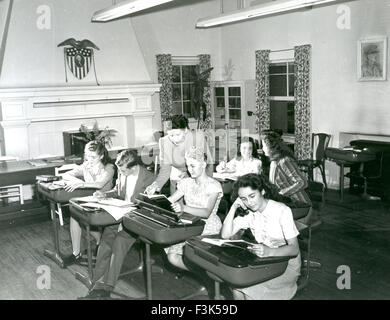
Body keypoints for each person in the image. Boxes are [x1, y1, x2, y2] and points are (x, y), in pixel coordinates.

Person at [80, 149, 155, 299]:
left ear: (133, 167)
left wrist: (130, 212)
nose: (120, 173)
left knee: (118, 243)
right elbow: (117, 191)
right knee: (105, 244)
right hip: (118, 217)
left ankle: (106, 288)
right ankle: (96, 287)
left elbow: (151, 207)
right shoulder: (123, 172)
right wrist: (105, 194)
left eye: (123, 170)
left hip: (135, 221)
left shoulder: (149, 179)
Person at [221, 173, 301, 300]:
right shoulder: (249, 213)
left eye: (252, 196)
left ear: (262, 191)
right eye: (244, 199)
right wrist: (234, 207)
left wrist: (269, 251)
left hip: (285, 265)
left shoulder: (282, 210)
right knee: (237, 288)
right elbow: (225, 234)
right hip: (264, 262)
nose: (249, 202)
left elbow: (294, 249)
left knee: (248, 292)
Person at [166, 147, 223, 271]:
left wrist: (183, 208)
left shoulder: (213, 186)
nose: (189, 169)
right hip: (190, 224)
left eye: (193, 166)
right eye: (187, 166)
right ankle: (203, 273)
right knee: (172, 256)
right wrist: (154, 199)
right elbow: (170, 200)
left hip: (208, 227)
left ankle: (207, 274)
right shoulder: (186, 182)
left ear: (203, 164)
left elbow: (207, 212)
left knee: (187, 256)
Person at [62, 141, 115, 266]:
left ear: (101, 156)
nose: (89, 160)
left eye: (93, 157)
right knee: (75, 215)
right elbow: (67, 174)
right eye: (87, 156)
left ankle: (99, 241)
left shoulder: (109, 167)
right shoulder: (86, 165)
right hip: (91, 201)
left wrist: (81, 184)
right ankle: (76, 253)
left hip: (108, 201)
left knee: (81, 217)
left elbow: (99, 184)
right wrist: (75, 181)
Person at [145, 114, 213, 196]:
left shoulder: (197, 137)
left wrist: (207, 186)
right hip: (177, 178)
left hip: (198, 176)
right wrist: (155, 185)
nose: (174, 139)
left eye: (177, 135)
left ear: (185, 130)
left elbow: (208, 164)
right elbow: (165, 169)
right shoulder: (164, 142)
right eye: (171, 135)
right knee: (176, 205)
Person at [261, 131, 311, 206]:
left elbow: (302, 183)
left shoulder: (284, 161)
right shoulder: (274, 161)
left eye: (263, 146)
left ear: (271, 147)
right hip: (285, 201)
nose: (262, 149)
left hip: (299, 204)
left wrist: (282, 193)